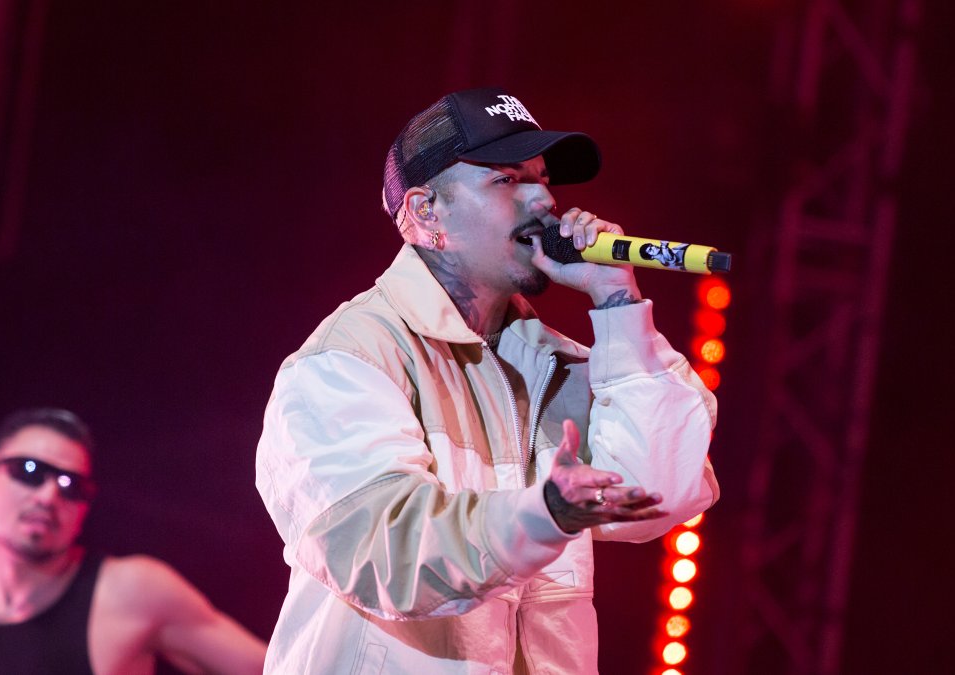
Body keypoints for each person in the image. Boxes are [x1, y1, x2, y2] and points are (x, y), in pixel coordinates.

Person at [255, 87, 721, 673]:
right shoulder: (346, 362)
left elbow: (662, 492)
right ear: (427, 214)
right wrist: (543, 513)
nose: (544, 201)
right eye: (506, 180)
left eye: (542, 177)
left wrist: (617, 301)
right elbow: (391, 557)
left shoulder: (558, 365)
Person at [0, 408, 266, 674]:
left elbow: (285, 666)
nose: (49, 495)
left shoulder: (131, 592)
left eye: (72, 486)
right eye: (30, 471)